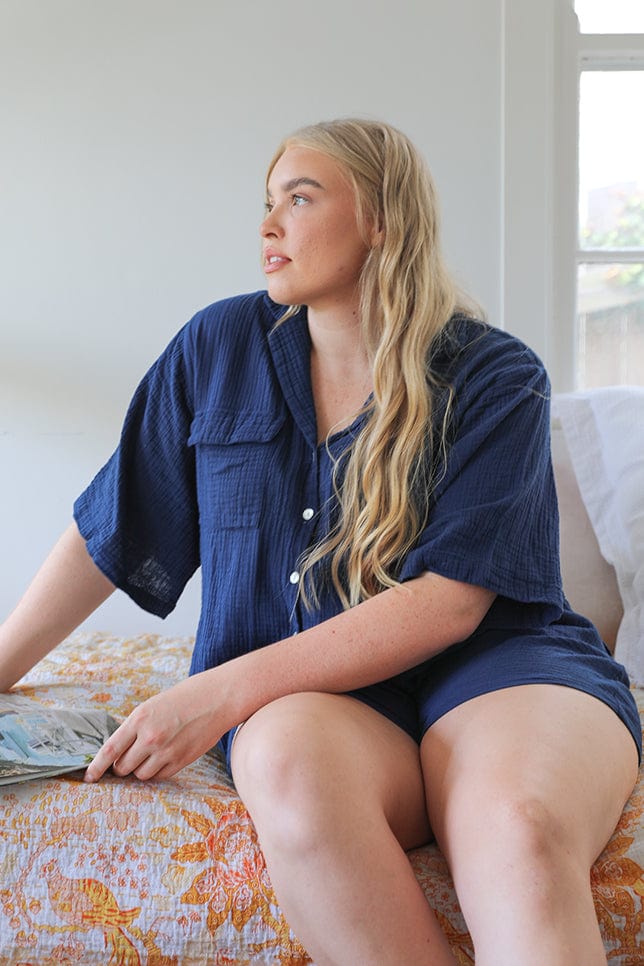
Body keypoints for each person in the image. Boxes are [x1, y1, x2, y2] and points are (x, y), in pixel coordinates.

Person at [0, 117, 640, 966]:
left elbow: (450, 603)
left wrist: (220, 691)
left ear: (381, 218)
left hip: (500, 670)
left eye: (299, 199)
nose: (268, 225)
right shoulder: (216, 349)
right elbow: (113, 526)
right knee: (288, 765)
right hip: (320, 704)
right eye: (268, 203)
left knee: (517, 830)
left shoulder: (495, 375)